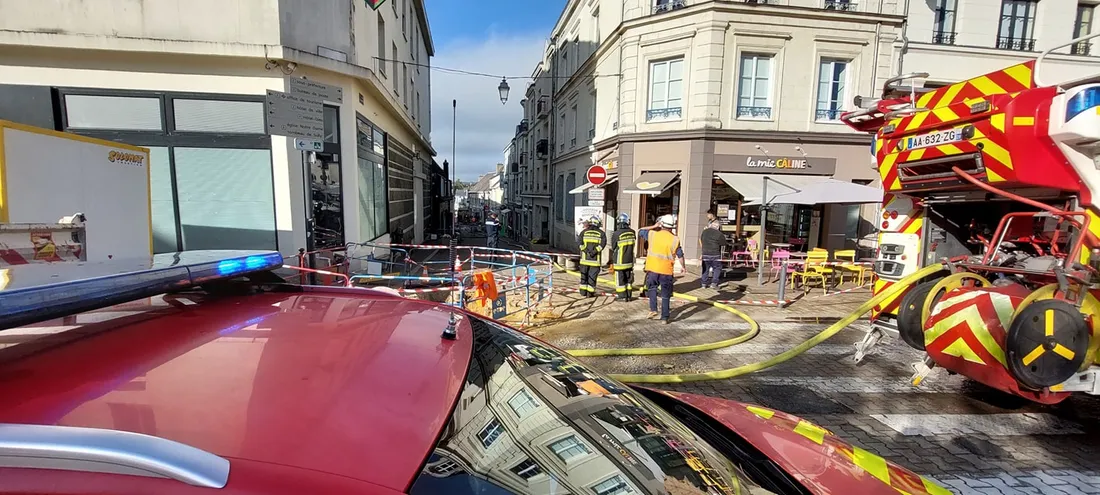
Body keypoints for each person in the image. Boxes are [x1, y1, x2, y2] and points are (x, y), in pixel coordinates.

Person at [639, 214, 687, 324]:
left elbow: (640, 230)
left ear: (661, 224)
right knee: (666, 294)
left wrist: (654, 226)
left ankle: (653, 310)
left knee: (652, 289)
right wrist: (683, 267)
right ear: (672, 227)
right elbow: (680, 255)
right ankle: (664, 318)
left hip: (652, 269)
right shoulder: (675, 239)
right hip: (666, 271)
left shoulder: (652, 234)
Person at [608, 213, 637, 301]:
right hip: (629, 260)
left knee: (620, 280)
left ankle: (622, 297)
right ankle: (628, 295)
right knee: (628, 279)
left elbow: (613, 247)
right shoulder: (632, 232)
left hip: (620, 261)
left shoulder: (616, 233)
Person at [577, 215, 606, 297]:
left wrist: (586, 251)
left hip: (584, 260)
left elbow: (580, 244)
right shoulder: (601, 233)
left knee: (584, 276)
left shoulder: (583, 232)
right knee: (592, 278)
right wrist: (594, 252)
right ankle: (590, 293)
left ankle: (583, 292)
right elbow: (602, 245)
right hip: (595, 261)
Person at [700, 212, 724, 289]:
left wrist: (703, 249)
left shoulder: (705, 231)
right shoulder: (718, 233)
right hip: (715, 253)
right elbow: (723, 243)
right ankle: (714, 283)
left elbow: (701, 240)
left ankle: (704, 283)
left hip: (705, 252)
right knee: (717, 268)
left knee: (705, 268)